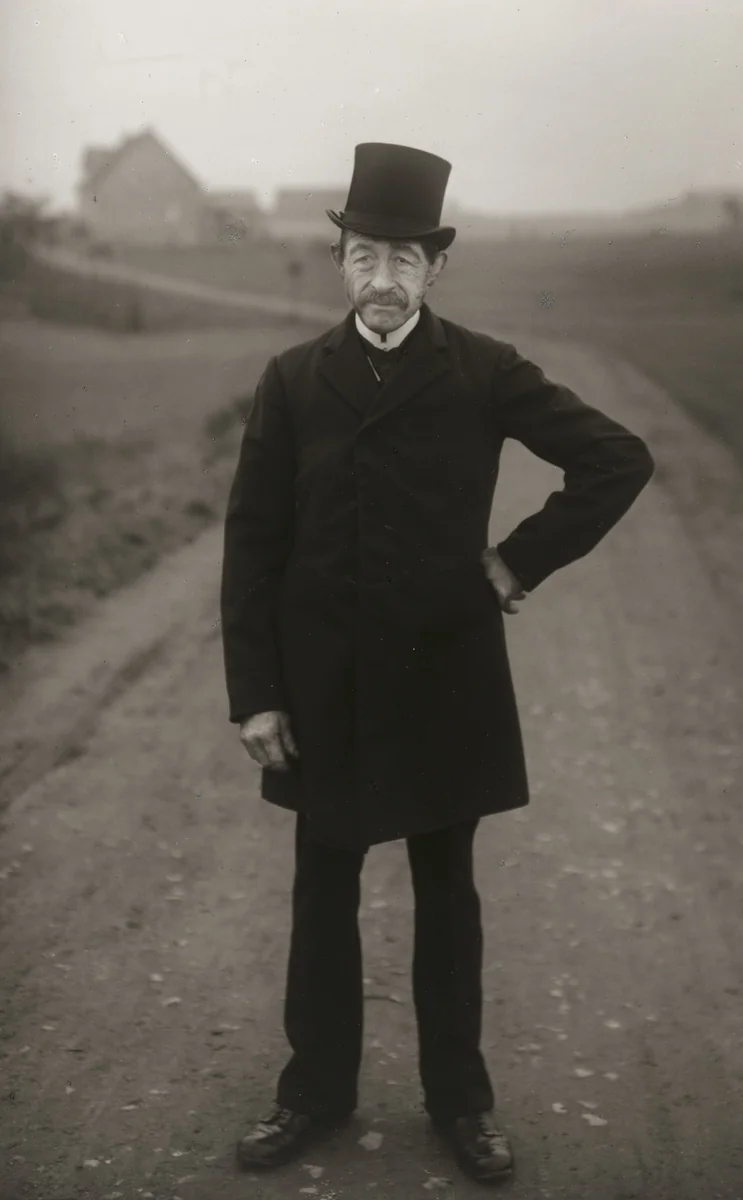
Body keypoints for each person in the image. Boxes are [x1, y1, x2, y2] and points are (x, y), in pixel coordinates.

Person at [220, 142, 654, 1185]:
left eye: (405, 259)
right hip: (320, 686)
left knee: (444, 898)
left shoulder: (483, 369)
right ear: (339, 260)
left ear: (435, 270)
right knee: (321, 895)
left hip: (441, 676)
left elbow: (615, 459)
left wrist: (514, 559)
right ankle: (310, 1096)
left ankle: (461, 1105)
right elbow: (251, 544)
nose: (383, 279)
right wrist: (256, 695)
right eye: (364, 254)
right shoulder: (291, 381)